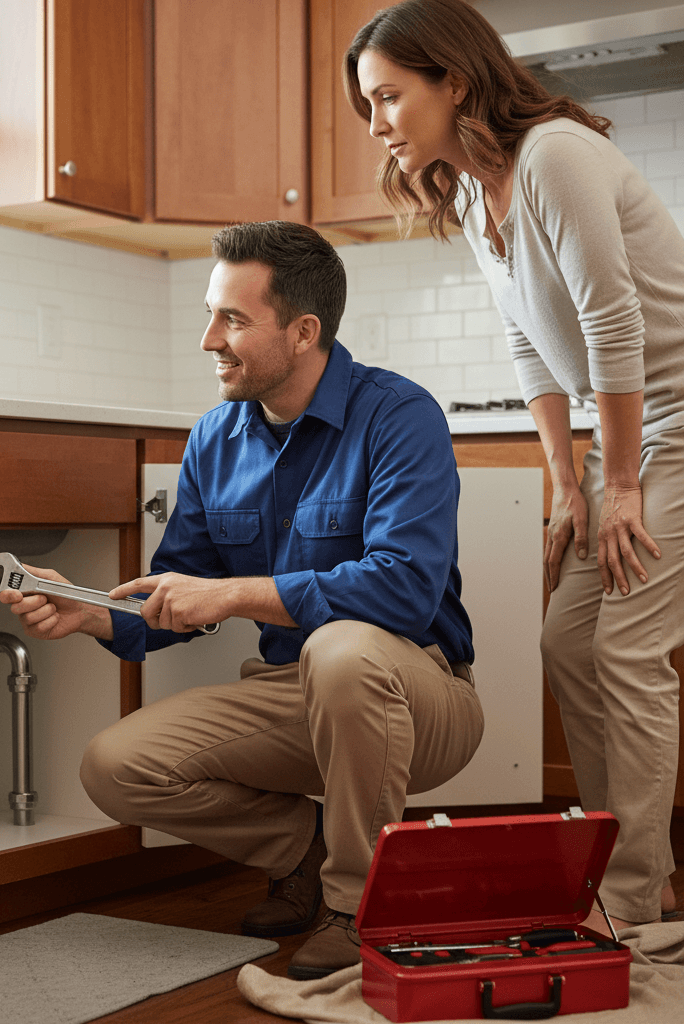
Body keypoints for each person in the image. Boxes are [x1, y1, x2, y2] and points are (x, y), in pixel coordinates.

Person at [0, 220, 484, 977]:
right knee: (114, 765)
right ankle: (304, 852)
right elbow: (181, 590)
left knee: (343, 647)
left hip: (420, 695)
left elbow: (403, 589)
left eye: (232, 319)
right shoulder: (214, 439)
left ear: (303, 331)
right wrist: (94, 611)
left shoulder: (398, 416)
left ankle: (362, 911)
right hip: (294, 696)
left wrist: (234, 594)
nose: (208, 339)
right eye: (209, 314)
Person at [346, 0, 684, 933]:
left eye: (388, 97)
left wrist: (618, 484)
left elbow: (613, 322)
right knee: (566, 643)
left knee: (624, 645)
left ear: (454, 80)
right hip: (630, 430)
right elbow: (529, 344)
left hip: (680, 420)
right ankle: (623, 867)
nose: (375, 123)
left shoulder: (556, 157)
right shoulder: (467, 189)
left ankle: (632, 894)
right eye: (366, 105)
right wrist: (568, 484)